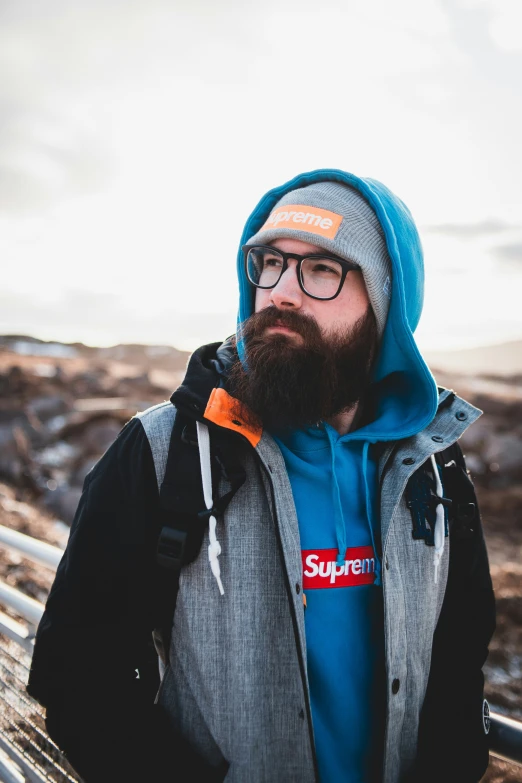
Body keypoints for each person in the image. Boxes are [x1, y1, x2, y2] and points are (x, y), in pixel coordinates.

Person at [27, 169, 496, 783]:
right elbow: (78, 671)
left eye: (323, 270)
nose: (281, 292)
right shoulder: (165, 451)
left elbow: (459, 659)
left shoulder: (432, 463)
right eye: (269, 263)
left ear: (387, 303)